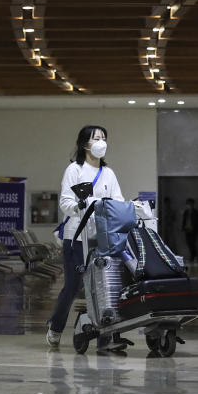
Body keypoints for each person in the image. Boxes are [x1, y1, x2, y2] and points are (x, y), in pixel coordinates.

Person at [47, 125, 124, 347]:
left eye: (103, 138)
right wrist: (83, 206)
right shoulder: (75, 170)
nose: (101, 142)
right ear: (84, 144)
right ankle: (56, 327)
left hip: (102, 237)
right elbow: (65, 202)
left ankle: (105, 335)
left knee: (106, 286)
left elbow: (117, 200)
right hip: (77, 237)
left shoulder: (109, 173)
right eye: (96, 138)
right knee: (73, 285)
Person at [181, 198, 198, 262]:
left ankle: (194, 257)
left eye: (190, 203)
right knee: (188, 243)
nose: (188, 205)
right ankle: (193, 256)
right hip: (187, 229)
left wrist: (196, 229)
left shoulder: (196, 212)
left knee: (192, 243)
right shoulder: (186, 212)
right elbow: (184, 220)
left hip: (193, 230)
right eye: (188, 204)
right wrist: (183, 228)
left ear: (192, 204)